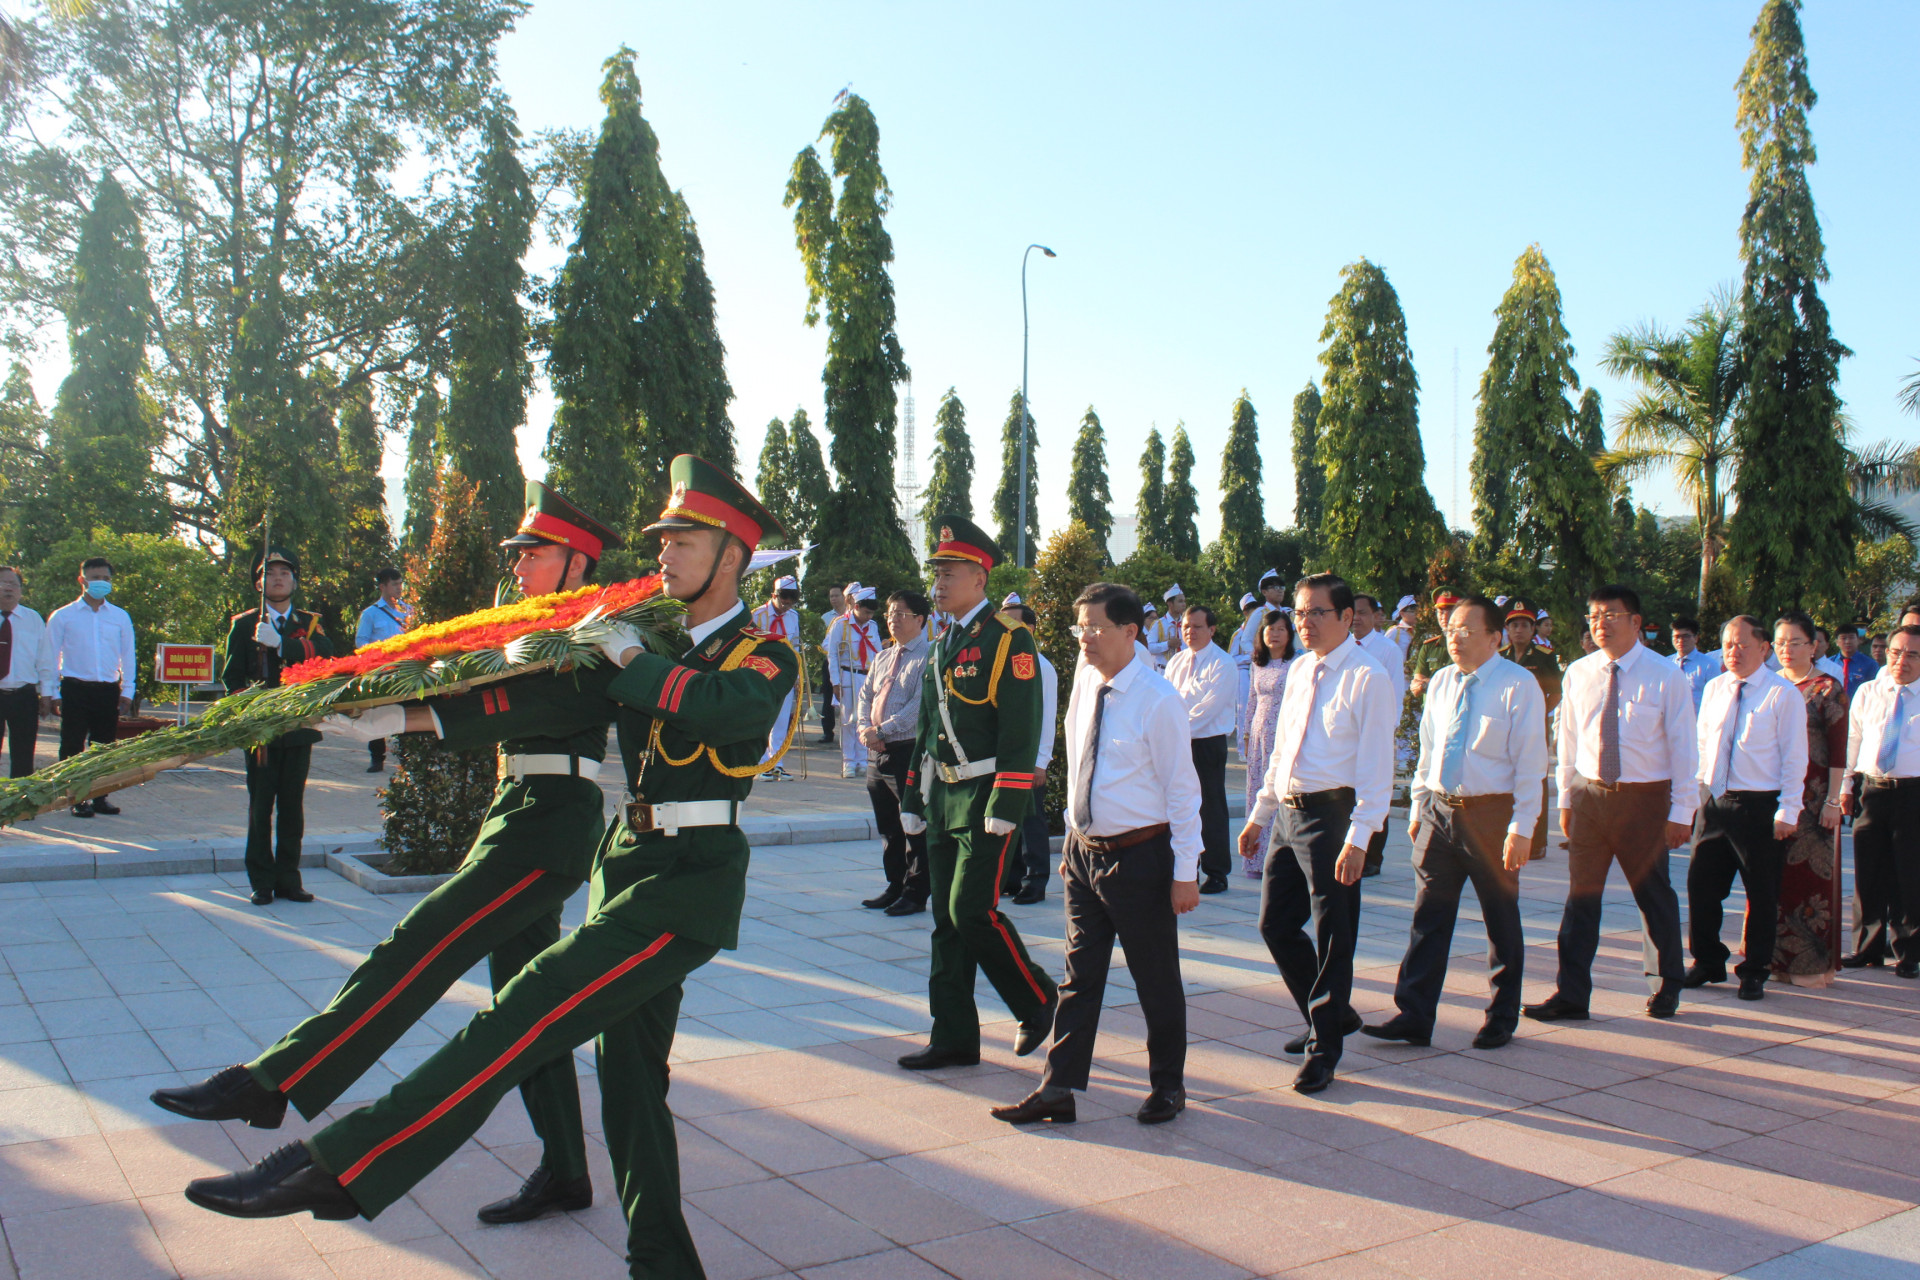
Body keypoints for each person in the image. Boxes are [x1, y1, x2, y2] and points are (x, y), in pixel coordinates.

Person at [185, 455, 799, 1280]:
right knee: (628, 1085)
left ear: (734, 555)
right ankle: (662, 1264)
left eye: (685, 539)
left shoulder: (760, 652)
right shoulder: (643, 643)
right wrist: (403, 716)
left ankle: (341, 1166)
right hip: (628, 866)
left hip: (688, 883)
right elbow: (541, 702)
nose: (664, 553)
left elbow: (731, 714)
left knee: (520, 1016)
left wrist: (626, 659)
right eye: (663, 537)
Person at [156, 483, 624, 1226]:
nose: (521, 566)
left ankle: (276, 1081)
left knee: (417, 946)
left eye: (535, 555)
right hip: (519, 816)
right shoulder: (535, 624)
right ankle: (567, 1170)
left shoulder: (593, 637)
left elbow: (524, 705)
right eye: (521, 554)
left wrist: (403, 718)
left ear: (577, 564)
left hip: (545, 832)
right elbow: (470, 675)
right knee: (524, 1018)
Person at [990, 582, 1201, 1127]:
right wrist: (1070, 837)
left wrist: (1185, 872)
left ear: (1131, 632)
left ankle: (1168, 1086)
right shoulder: (1085, 680)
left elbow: (1183, 792)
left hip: (1141, 857)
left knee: (1155, 978)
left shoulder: (1159, 700)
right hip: (1085, 854)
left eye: (1096, 628)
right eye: (1079, 627)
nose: (1085, 638)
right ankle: (1058, 1087)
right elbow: (1080, 760)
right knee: (1078, 976)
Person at [895, 516, 1058, 1070]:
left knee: (972, 910)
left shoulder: (1010, 640)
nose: (939, 584)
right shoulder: (944, 642)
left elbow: (1020, 730)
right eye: (937, 572)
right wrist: (913, 797)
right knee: (946, 918)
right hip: (944, 799)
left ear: (980, 579)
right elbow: (926, 728)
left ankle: (1037, 999)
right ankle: (954, 1035)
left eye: (951, 573)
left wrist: (1008, 803)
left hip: (988, 795)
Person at [1237, 572, 1395, 1094]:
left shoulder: (1368, 677)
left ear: (1347, 617)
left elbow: (1377, 765)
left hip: (1333, 816)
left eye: (1315, 613)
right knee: (1275, 925)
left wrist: (1360, 836)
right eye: (1299, 613)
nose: (1303, 622)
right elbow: (1283, 749)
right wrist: (1260, 815)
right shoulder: (1301, 669)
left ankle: (1323, 1045)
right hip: (1288, 811)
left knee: (1334, 934)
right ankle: (1331, 1014)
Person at [1365, 594, 1545, 1051]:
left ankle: (1502, 1015)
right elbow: (1430, 747)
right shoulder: (1443, 681)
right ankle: (1414, 1013)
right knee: (1429, 915)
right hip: (1440, 813)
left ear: (1495, 637)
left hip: (1492, 816)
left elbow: (1530, 763)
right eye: (1450, 631)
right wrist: (1420, 804)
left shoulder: (1518, 684)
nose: (1454, 640)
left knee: (1500, 919)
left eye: (1466, 631)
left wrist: (1523, 827)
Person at [1525, 584, 1697, 1024]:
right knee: (1581, 900)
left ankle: (1666, 986)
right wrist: (1564, 796)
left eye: (1611, 615)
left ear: (1635, 622)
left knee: (1652, 895)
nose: (1600, 623)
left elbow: (1683, 748)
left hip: (1644, 800)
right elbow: (1567, 739)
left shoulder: (1665, 676)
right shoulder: (1579, 672)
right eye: (1594, 615)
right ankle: (1571, 993)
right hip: (1589, 797)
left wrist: (1682, 811)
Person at [1684, 616, 1808, 1003]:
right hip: (1716, 801)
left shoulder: (1781, 694)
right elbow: (1703, 744)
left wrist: (1789, 809)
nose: (1733, 652)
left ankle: (1754, 970)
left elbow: (1794, 757)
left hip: (1760, 806)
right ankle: (1707, 960)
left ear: (1764, 648)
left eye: (1741, 645)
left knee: (1761, 892)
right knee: (1701, 886)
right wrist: (1694, 798)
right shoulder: (1716, 687)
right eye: (1726, 645)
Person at [221, 548, 334, 904]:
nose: (278, 578)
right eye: (270, 574)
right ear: (259, 583)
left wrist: (283, 644)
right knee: (260, 807)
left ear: (295, 581)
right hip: (262, 732)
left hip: (298, 726)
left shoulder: (310, 622)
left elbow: (328, 656)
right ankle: (261, 880)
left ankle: (289, 878)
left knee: (292, 806)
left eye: (285, 573)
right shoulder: (245, 624)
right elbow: (232, 678)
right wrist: (252, 718)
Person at [1766, 612, 1848, 987]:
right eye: (1780, 642)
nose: (1786, 650)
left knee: (1809, 885)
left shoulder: (1827, 689)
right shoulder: (1766, 684)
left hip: (1814, 804)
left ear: (1813, 646)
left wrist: (1834, 801)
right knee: (1770, 882)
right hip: (1772, 797)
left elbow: (1838, 752)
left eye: (1795, 642)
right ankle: (1768, 960)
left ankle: (1812, 967)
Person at [1839, 623, 1920, 978]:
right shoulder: (1869, 692)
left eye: (1912, 654)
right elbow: (1852, 740)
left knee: (1910, 875)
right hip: (1871, 790)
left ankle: (1909, 952)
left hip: (1914, 794)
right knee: (1867, 874)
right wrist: (1844, 787)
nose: (1902, 660)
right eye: (1896, 652)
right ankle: (1866, 948)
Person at [40, 556, 137, 816]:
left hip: (107, 689)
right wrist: (50, 693)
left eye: (106, 578)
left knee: (103, 747)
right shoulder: (63, 616)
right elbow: (50, 657)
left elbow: (128, 655)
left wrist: (128, 691)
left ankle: (100, 796)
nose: (101, 583)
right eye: (95, 578)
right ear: (82, 580)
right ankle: (75, 798)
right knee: (72, 745)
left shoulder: (119, 616)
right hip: (74, 688)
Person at [858, 589, 933, 916]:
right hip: (877, 753)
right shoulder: (883, 656)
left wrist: (881, 731)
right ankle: (895, 884)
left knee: (913, 823)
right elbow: (865, 695)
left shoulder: (929, 656)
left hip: (907, 752)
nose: (893, 619)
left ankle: (916, 892)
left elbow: (919, 707)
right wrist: (864, 729)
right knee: (888, 825)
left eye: (900, 614)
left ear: (920, 619)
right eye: (890, 614)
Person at [1165, 603, 1236, 894]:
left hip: (1206, 743)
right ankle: (1185, 869)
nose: (1190, 632)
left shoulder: (1223, 663)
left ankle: (1216, 871)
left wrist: (1176, 732)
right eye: (1185, 627)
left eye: (1196, 627)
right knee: (1180, 806)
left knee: (1210, 806)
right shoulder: (1176, 662)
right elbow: (1166, 701)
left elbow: (1208, 710)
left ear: (1212, 629)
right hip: (1177, 742)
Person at [1001, 602, 1058, 906]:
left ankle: (1036, 880)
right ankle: (1011, 877)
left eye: (1012, 623)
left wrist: (1040, 762)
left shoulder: (1040, 665)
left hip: (1029, 758)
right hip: (1004, 756)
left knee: (1031, 820)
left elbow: (1047, 717)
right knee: (1006, 818)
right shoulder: (1000, 660)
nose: (1005, 628)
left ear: (1031, 629)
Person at [1351, 593, 1407, 877]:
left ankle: (1373, 856)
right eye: (1353, 612)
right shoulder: (1343, 647)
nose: (1357, 618)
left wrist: (1385, 735)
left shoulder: (1388, 650)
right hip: (1348, 737)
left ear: (1376, 616)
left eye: (1363, 612)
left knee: (1375, 794)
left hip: (1378, 735)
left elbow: (1396, 696)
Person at [1501, 600, 1561, 861]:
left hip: (1535, 727)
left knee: (1535, 778)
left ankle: (1537, 841)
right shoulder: (1500, 656)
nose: (1519, 630)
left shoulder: (1544, 657)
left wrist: (1538, 712)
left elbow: (1556, 692)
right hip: (1503, 726)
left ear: (1533, 628)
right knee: (1507, 778)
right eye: (1514, 625)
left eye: (1525, 625)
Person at [1239, 610, 1296, 880]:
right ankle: (1255, 859)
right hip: (1260, 732)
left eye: (1281, 629)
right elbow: (1251, 701)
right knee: (1257, 792)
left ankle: (1279, 859)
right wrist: (1247, 736)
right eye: (1270, 629)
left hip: (1283, 733)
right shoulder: (1257, 664)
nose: (1275, 634)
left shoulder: (1296, 664)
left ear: (1290, 634)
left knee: (1278, 792)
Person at [352, 567, 412, 773]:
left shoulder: (409, 611)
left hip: (404, 670)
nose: (398, 588)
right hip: (380, 671)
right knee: (376, 713)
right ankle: (377, 758)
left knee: (407, 711)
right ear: (382, 587)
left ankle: (408, 757)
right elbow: (361, 643)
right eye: (394, 584)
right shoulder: (370, 614)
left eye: (400, 583)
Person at [751, 574, 806, 779]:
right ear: (774, 595)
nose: (787, 604)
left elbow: (796, 647)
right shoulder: (757, 615)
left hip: (785, 674)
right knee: (763, 719)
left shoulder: (793, 617)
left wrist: (798, 674)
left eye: (792, 600)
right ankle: (761, 763)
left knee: (782, 720)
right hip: (762, 674)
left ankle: (777, 762)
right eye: (784, 599)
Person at [825, 585, 882, 778]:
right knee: (849, 721)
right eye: (866, 612)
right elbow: (832, 655)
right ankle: (848, 762)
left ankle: (862, 759)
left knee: (866, 719)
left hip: (868, 676)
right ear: (856, 606)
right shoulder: (840, 624)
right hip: (848, 675)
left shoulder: (872, 626)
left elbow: (878, 654)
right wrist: (835, 683)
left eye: (872, 613)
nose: (869, 617)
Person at [0, 566, 45, 777]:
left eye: (14, 584)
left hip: (23, 695)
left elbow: (44, 659)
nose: (9, 588)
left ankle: (20, 807)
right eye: (4, 583)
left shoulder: (33, 619)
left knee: (23, 755)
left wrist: (47, 693)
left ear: (21, 590)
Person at [1408, 586, 1462, 701]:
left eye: (1450, 610)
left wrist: (1428, 684)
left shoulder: (1470, 645)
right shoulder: (1429, 646)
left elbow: (1462, 685)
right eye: (1441, 611)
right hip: (1431, 714)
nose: (1445, 616)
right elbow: (1416, 688)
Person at [1228, 591, 1262, 757]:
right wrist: (1249, 656)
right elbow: (1231, 658)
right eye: (1250, 609)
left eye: (1255, 608)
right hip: (1242, 672)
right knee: (1244, 711)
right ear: (1244, 612)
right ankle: (1242, 749)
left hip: (1258, 670)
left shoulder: (1260, 631)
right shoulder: (1238, 634)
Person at [817, 583, 846, 744]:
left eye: (836, 595)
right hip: (830, 660)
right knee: (828, 697)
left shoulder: (852, 615)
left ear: (844, 596)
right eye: (831, 596)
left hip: (849, 663)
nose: (833, 599)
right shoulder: (826, 618)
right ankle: (827, 731)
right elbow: (821, 641)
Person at [1671, 617, 1717, 711]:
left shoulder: (1709, 665)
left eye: (1686, 636)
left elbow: (1717, 697)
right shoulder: (1666, 663)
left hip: (1697, 722)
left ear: (1696, 638)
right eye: (1677, 636)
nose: (1680, 640)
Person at [1144, 584, 1186, 671]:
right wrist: (1167, 644)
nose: (1184, 604)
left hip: (1184, 670)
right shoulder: (1158, 624)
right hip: (1164, 671)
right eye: (1180, 601)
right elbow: (1149, 647)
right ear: (1170, 604)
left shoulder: (1187, 623)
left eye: (1184, 601)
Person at [1834, 622, 1879, 699]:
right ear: (1837, 642)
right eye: (1843, 638)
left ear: (1858, 640)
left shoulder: (1870, 664)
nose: (1848, 641)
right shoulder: (1829, 663)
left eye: (1851, 637)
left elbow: (1875, 690)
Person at [1389, 594, 1418, 664]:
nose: (1416, 614)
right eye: (1412, 611)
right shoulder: (1394, 631)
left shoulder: (1417, 631)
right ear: (1402, 614)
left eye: (1417, 611)